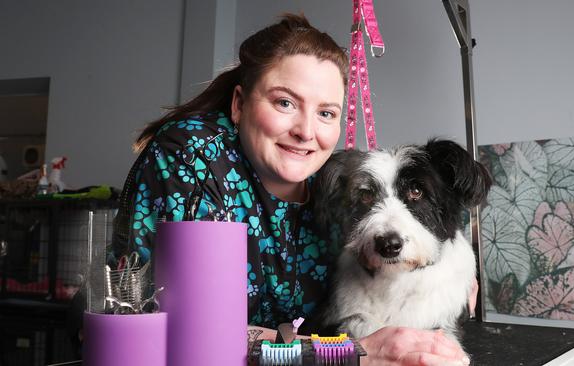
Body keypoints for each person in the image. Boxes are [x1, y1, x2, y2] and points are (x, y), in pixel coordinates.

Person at [112, 13, 470, 366]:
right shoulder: (193, 157)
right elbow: (194, 338)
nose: (306, 131)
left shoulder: (333, 185)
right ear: (239, 104)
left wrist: (457, 278)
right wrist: (356, 353)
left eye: (326, 113)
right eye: (285, 103)